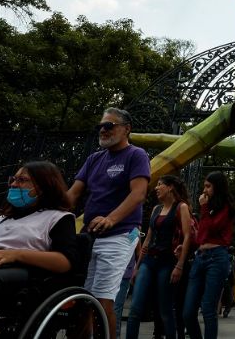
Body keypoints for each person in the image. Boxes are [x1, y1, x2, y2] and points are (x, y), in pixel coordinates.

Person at [66, 107, 149, 336]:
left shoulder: (136, 155)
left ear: (126, 129)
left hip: (120, 234)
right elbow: (72, 195)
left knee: (102, 301)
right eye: (100, 126)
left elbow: (139, 194)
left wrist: (111, 219)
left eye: (109, 125)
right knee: (82, 301)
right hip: (89, 237)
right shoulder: (94, 159)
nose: (103, 130)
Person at [0, 161, 78, 313]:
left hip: (26, 274)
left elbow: (64, 262)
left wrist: (15, 254)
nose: (13, 184)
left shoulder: (58, 218)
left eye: (22, 180)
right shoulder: (0, 220)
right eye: (13, 179)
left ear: (43, 187)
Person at [126, 175, 193, 339]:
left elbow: (187, 236)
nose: (156, 188)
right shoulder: (156, 209)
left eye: (160, 185)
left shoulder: (181, 207)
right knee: (135, 309)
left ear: (170, 187)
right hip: (149, 261)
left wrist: (180, 265)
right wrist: (137, 266)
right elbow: (148, 239)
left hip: (167, 263)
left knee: (165, 311)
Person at [182, 171, 235, 339]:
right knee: (188, 312)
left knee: (208, 309)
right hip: (200, 256)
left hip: (217, 257)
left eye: (208, 186)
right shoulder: (208, 207)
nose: (204, 190)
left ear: (217, 187)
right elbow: (202, 235)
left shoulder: (226, 207)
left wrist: (204, 207)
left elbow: (214, 227)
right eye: (204, 186)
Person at [113, 243, 142, 339]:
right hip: (110, 268)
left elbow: (138, 251)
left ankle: (115, 336)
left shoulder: (133, 229)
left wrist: (137, 269)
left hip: (124, 272)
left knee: (116, 308)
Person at [220, 245, 235, 318]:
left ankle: (219, 309)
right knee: (229, 295)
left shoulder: (223, 257)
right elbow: (234, 269)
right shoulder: (234, 258)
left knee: (220, 295)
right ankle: (226, 311)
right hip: (229, 279)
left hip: (221, 277)